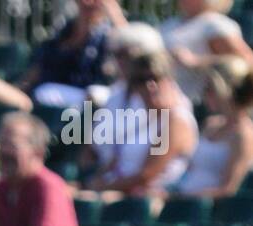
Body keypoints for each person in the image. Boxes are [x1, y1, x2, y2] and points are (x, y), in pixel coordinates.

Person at [0, 0, 127, 135]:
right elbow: (33, 74)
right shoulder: (64, 32)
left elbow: (135, 48)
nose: (87, 3)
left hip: (53, 104)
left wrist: (113, 13)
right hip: (32, 97)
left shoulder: (110, 35)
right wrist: (14, 89)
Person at [87, 51, 199, 198]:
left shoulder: (176, 120)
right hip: (121, 191)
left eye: (155, 78)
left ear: (168, 80)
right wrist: (92, 184)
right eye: (140, 80)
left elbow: (147, 175)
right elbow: (115, 162)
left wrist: (99, 188)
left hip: (149, 199)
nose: (149, 85)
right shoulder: (141, 119)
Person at [168, 56, 253, 196]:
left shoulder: (244, 135)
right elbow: (189, 170)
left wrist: (181, 199)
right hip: (182, 199)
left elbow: (227, 190)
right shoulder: (211, 124)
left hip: (202, 212)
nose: (205, 94)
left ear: (228, 91)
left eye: (210, 88)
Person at [160, 0, 253, 106]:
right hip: (171, 103)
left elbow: (246, 61)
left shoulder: (215, 24)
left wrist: (196, 61)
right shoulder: (170, 24)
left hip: (204, 105)